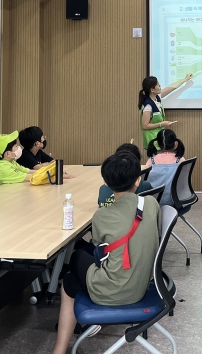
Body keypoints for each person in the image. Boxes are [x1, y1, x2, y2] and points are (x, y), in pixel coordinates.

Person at [51, 151, 160, 354]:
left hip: (113, 291)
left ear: (106, 183)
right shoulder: (152, 204)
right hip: (144, 282)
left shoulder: (102, 215)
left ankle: (59, 349)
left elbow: (100, 249)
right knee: (81, 258)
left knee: (72, 270)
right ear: (138, 180)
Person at [139, 74, 193, 152]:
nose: (160, 86)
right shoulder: (148, 105)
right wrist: (162, 124)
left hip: (159, 141)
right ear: (152, 90)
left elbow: (171, 88)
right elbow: (145, 125)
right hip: (152, 144)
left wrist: (184, 79)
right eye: (157, 84)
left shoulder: (157, 98)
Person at [144, 129, 185, 206]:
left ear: (157, 144)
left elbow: (146, 181)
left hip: (154, 201)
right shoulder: (181, 160)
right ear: (175, 144)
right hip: (176, 200)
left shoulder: (151, 161)